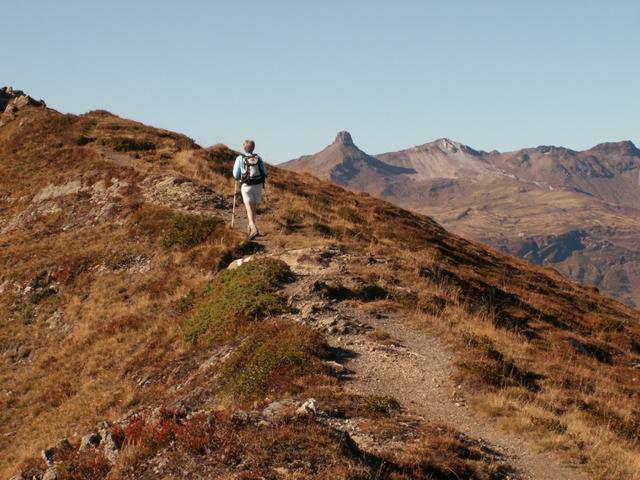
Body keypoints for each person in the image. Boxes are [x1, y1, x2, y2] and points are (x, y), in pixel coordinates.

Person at [232, 139, 267, 239]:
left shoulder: (240, 158)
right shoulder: (258, 158)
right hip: (258, 185)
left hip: (246, 185)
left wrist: (238, 177)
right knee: (254, 207)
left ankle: (253, 227)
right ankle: (252, 227)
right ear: (253, 148)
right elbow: (265, 172)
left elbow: (235, 174)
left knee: (248, 207)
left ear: (244, 148)